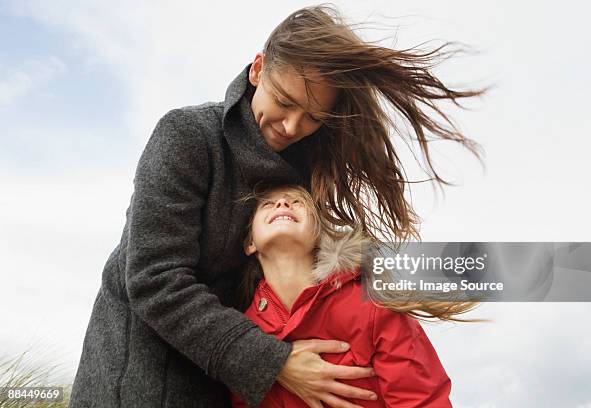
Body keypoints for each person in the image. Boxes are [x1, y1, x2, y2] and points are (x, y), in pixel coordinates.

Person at [69, 5, 485, 408]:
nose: (291, 127)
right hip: (141, 379)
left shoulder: (302, 170)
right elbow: (154, 278)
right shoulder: (187, 135)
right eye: (284, 102)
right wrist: (276, 361)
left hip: (229, 383)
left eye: (312, 117)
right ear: (257, 69)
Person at [231, 184, 474, 407]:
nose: (282, 203)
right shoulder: (241, 336)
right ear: (250, 243)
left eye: (297, 202)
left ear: (318, 235)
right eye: (267, 204)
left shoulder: (374, 305)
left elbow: (422, 402)